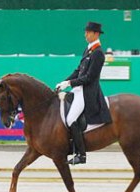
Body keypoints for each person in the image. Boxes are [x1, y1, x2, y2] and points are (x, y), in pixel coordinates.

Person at [56, 22, 112, 165]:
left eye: (88, 32)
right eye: (86, 32)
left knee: (70, 119)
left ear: (96, 34)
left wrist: (69, 84)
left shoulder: (98, 53)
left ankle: (81, 155)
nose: (85, 34)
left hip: (87, 93)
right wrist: (64, 82)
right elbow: (78, 71)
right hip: (78, 89)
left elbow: (89, 78)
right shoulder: (88, 50)